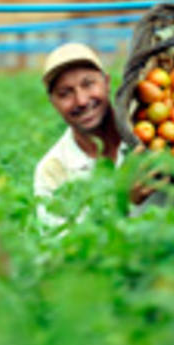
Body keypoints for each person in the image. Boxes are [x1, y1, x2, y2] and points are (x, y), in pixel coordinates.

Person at [33, 42, 126, 227]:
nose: (81, 101)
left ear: (107, 83)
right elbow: (60, 246)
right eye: (65, 93)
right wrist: (122, 202)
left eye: (88, 84)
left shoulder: (148, 134)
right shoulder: (52, 170)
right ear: (53, 102)